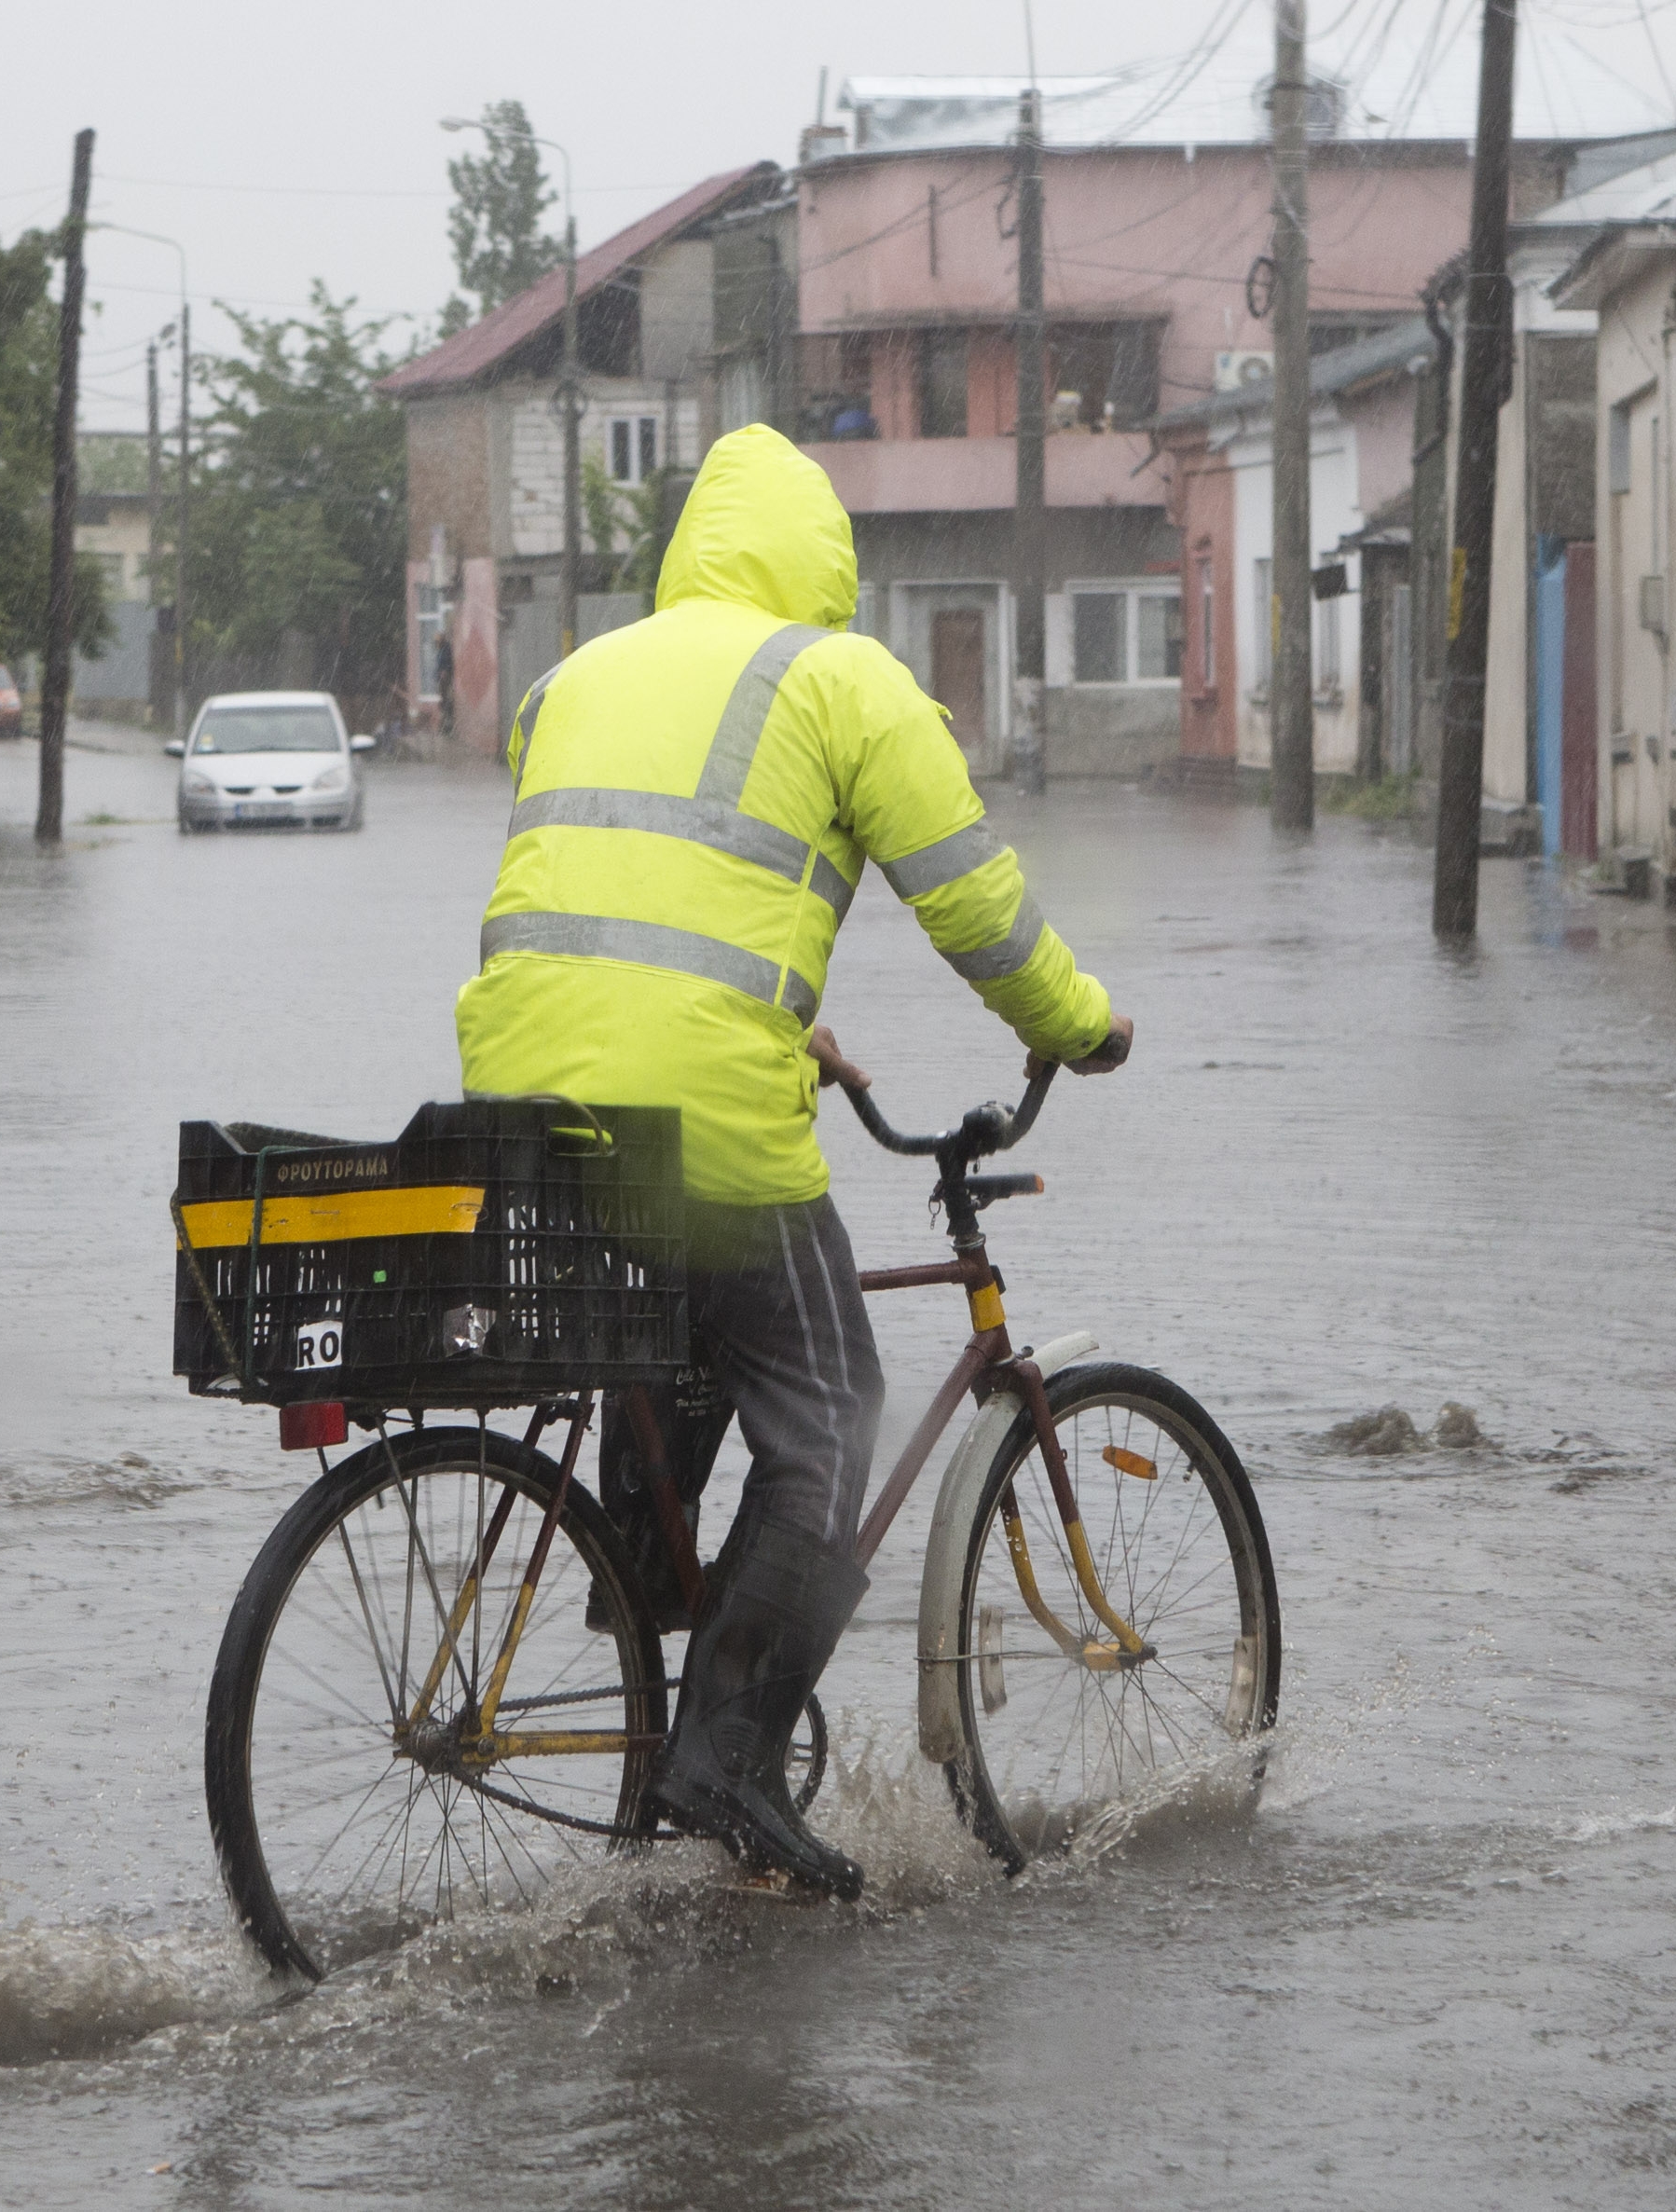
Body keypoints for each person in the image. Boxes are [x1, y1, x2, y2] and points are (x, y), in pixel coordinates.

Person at [455, 423, 1132, 1897]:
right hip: (700, 1124)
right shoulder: (838, 678)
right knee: (836, 1411)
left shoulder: (582, 672)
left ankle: (644, 1597)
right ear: (825, 564)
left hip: (521, 1104)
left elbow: (645, 888)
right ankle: (727, 1756)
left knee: (692, 1343)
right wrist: (1082, 1025)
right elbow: (974, 906)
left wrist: (793, 1027)